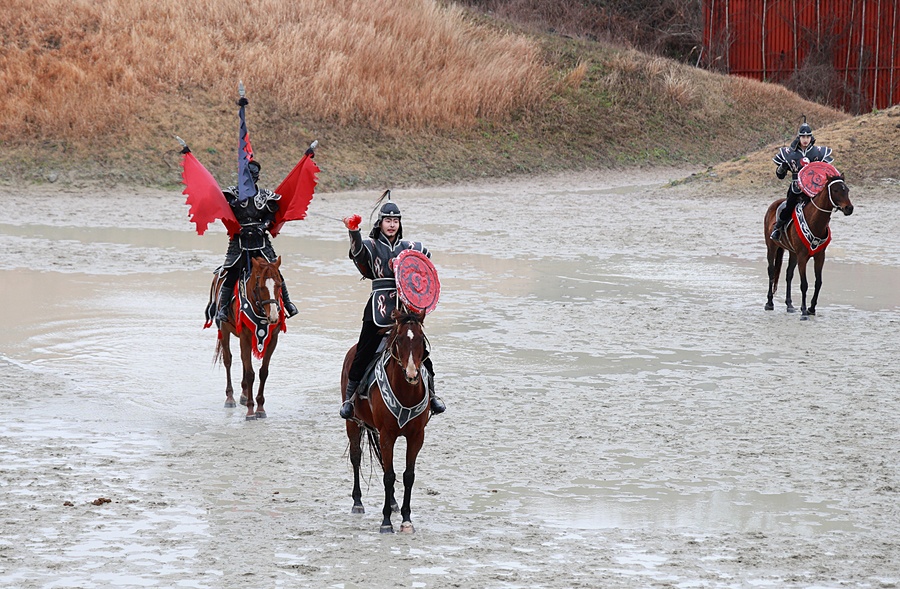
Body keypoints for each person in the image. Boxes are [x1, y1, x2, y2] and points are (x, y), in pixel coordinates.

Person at [339, 193, 445, 420]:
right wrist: (353, 231)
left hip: (407, 309)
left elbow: (425, 262)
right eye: (388, 220)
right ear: (380, 223)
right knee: (364, 350)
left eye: (395, 221)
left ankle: (433, 395)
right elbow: (357, 252)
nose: (392, 224)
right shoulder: (372, 245)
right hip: (379, 307)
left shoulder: (410, 246)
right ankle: (350, 398)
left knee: (421, 350)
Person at [214, 159, 299, 322]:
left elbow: (270, 215)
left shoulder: (266, 196)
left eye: (253, 175)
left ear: (258, 177)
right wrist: (239, 228)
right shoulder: (232, 194)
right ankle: (223, 308)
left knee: (275, 273)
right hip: (239, 241)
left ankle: (288, 303)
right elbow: (225, 210)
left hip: (261, 241)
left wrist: (264, 226)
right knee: (231, 274)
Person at [770, 121, 834, 240]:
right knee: (788, 207)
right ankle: (778, 228)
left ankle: (823, 231)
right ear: (799, 137)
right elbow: (780, 176)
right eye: (803, 137)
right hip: (796, 188)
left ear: (811, 137)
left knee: (822, 208)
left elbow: (827, 172)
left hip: (814, 189)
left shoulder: (819, 153)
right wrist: (782, 168)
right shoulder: (789, 153)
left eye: (808, 137)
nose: (805, 139)